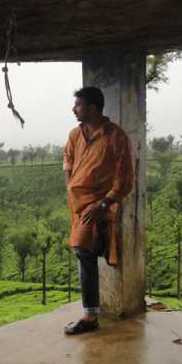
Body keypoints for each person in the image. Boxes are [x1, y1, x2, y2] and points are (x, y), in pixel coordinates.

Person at [62, 86, 134, 334]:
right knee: (86, 250)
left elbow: (125, 179)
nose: (74, 109)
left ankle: (90, 317)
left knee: (82, 249)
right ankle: (91, 311)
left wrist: (103, 204)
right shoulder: (74, 135)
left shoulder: (116, 137)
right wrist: (70, 188)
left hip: (99, 205)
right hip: (77, 205)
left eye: (78, 104)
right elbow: (68, 160)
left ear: (93, 108)